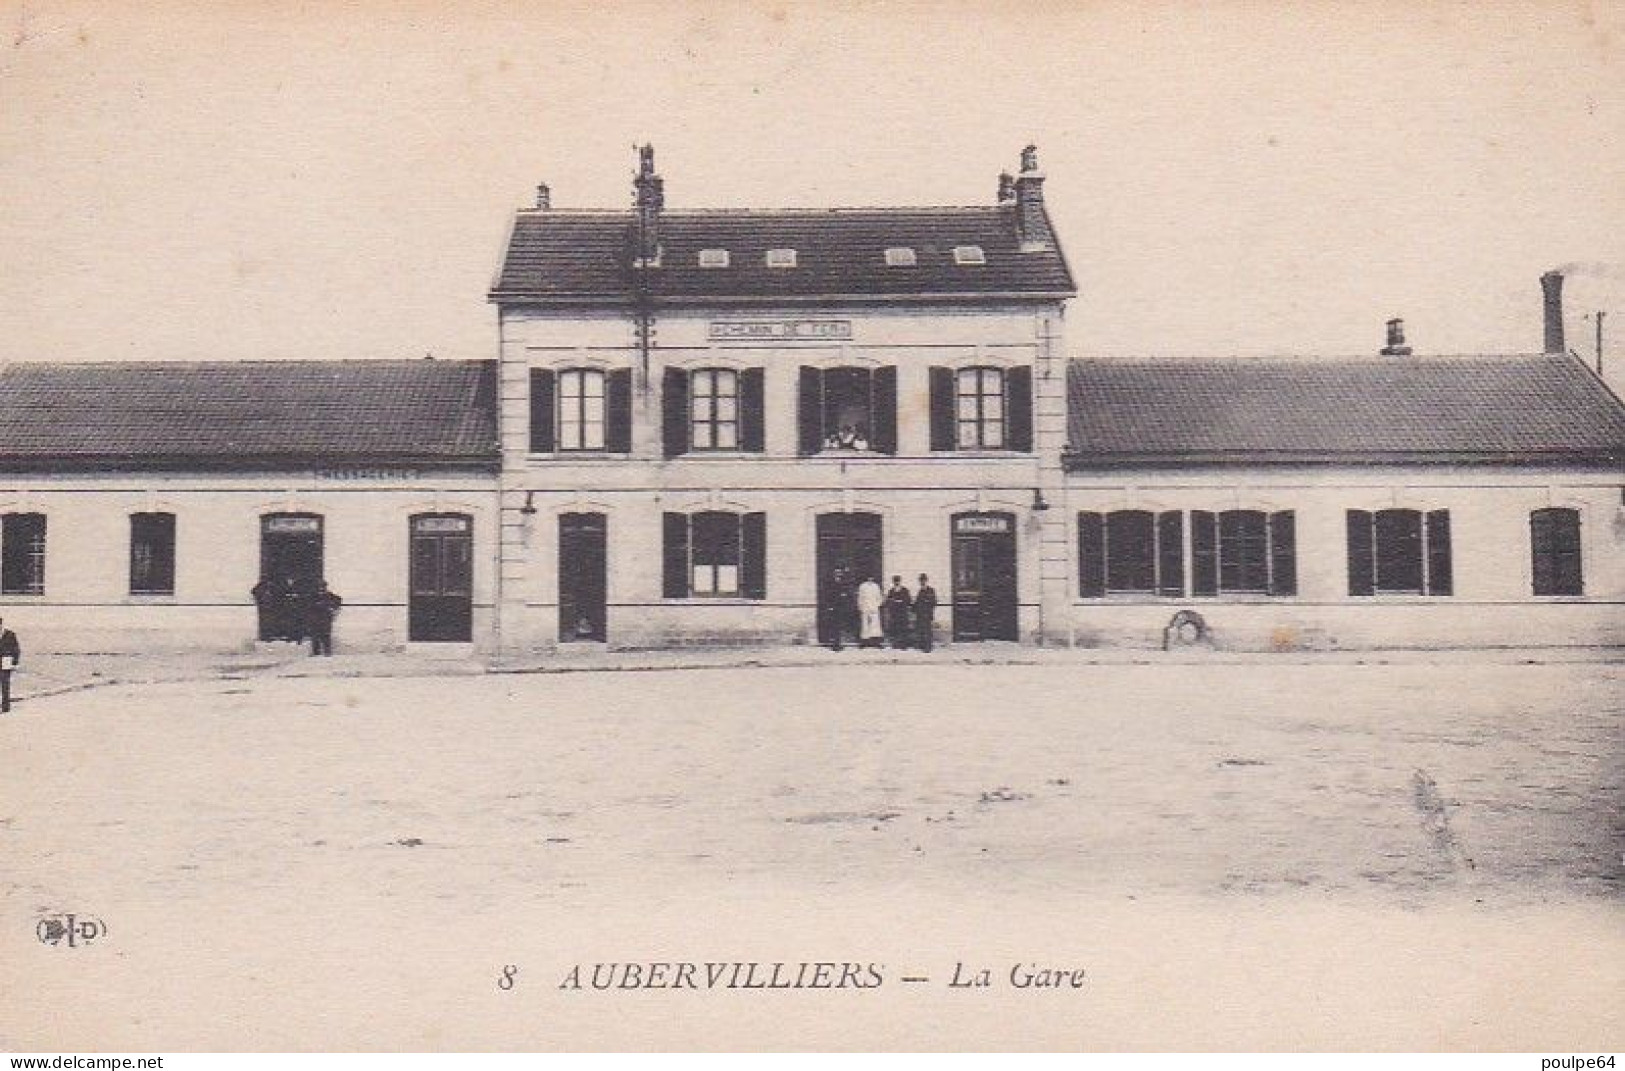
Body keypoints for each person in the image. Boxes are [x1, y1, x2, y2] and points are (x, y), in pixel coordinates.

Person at [305, 580, 343, 656]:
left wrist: (332, 607)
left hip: (325, 619)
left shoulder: (329, 596)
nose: (321, 589)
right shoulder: (313, 596)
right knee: (315, 636)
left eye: (323, 587)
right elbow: (308, 605)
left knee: (325, 636)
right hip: (315, 619)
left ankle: (327, 651)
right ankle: (316, 652)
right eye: (320, 587)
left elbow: (338, 600)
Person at [824, 568, 852, 651]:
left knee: (839, 626)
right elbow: (828, 595)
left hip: (840, 607)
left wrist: (844, 595)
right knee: (834, 626)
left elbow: (846, 592)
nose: (839, 574)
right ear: (834, 574)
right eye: (837, 572)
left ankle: (838, 643)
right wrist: (829, 606)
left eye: (840, 573)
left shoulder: (843, 582)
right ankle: (834, 644)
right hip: (833, 607)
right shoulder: (830, 583)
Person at [883, 575, 913, 649]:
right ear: (893, 582)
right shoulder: (891, 591)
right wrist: (892, 602)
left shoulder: (905, 590)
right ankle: (896, 644)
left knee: (903, 629)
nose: (896, 583)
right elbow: (888, 601)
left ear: (900, 582)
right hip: (894, 613)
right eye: (895, 581)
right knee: (895, 629)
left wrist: (901, 601)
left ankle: (903, 645)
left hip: (902, 613)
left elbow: (908, 600)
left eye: (898, 581)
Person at [856, 575, 884, 649]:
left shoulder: (876, 586)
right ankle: (864, 642)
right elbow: (860, 597)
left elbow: (879, 597)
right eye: (869, 577)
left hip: (874, 608)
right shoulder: (862, 586)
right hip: (865, 608)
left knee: (875, 625)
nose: (870, 579)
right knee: (865, 625)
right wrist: (861, 606)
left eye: (871, 577)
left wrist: (877, 605)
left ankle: (876, 642)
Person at [913, 573, 938, 652]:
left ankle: (928, 647)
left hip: (927, 614)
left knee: (927, 631)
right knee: (921, 630)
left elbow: (933, 602)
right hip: (920, 614)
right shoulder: (920, 591)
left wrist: (927, 606)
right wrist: (914, 608)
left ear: (926, 581)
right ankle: (922, 645)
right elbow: (917, 602)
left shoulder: (930, 590)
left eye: (923, 580)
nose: (922, 582)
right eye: (921, 581)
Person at [0, 617, 19, 713]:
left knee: (5, 685)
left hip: (6, 662)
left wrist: (15, 663)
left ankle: (5, 706)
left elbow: (16, 649)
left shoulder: (10, 635)